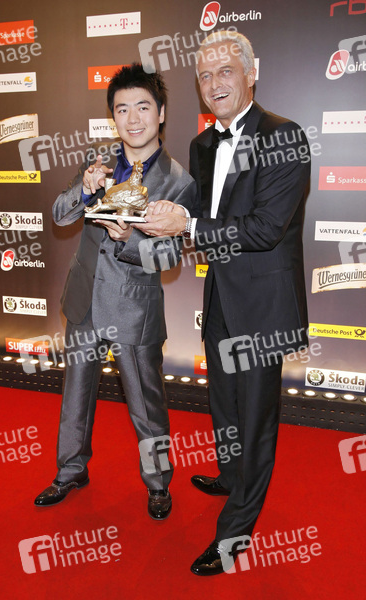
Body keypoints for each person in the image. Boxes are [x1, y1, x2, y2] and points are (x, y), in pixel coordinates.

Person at [134, 32, 311, 573]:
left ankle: (235, 532)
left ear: (251, 74)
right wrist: (139, 221)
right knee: (224, 405)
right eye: (205, 75)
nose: (214, 83)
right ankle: (232, 476)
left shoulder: (284, 136)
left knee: (255, 418)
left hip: (263, 305)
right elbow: (196, 219)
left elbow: (263, 229)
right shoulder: (202, 145)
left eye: (226, 71)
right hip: (220, 300)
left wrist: (186, 226)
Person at [34, 64, 194, 521]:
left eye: (143, 107)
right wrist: (84, 191)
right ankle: (70, 471)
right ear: (113, 117)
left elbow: (169, 257)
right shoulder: (97, 161)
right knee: (76, 394)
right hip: (85, 298)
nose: (133, 118)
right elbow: (60, 215)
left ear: (161, 113)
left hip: (134, 309)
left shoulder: (178, 181)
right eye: (122, 109)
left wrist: (130, 241)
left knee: (146, 403)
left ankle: (158, 483)